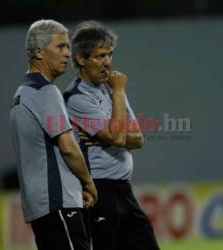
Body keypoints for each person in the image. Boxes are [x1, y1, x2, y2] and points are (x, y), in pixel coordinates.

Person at [63, 20, 160, 250]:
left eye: (110, 55)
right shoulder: (77, 97)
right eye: (99, 57)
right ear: (81, 59)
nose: (107, 63)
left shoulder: (110, 89)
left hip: (124, 189)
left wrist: (105, 136)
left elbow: (138, 138)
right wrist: (119, 91)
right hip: (99, 191)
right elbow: (118, 137)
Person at [10, 19, 97, 250]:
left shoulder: (22, 92)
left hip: (40, 206)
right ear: (39, 51)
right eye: (60, 47)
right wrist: (88, 183)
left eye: (68, 47)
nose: (68, 53)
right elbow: (67, 146)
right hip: (58, 202)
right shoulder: (45, 91)